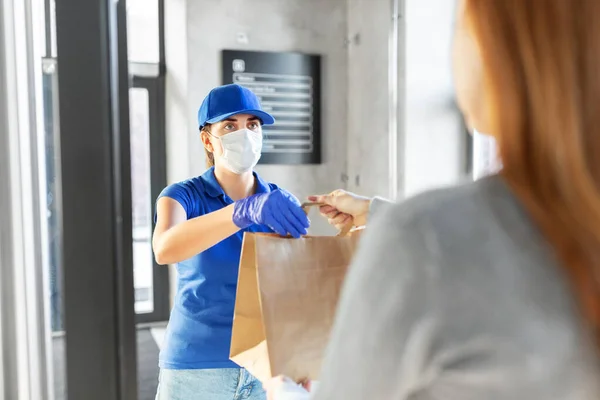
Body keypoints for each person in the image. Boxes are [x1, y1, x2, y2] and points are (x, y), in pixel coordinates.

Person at [266, 0, 600, 399]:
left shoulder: (420, 239)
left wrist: (287, 393)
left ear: (503, 49)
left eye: (462, 25)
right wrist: (377, 211)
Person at [152, 83, 310, 400]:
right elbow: (165, 249)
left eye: (252, 124)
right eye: (230, 125)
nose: (245, 134)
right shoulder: (183, 196)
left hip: (265, 365)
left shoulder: (279, 201)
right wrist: (240, 212)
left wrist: (301, 356)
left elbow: (295, 287)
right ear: (207, 139)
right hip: (197, 365)